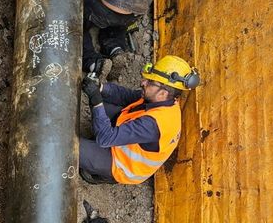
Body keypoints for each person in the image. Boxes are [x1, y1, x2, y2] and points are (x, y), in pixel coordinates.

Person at [78, 55, 200, 185]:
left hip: (122, 164)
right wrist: (100, 87)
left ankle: (105, 175)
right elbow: (126, 96)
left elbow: (105, 138)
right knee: (102, 107)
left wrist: (96, 100)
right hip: (126, 141)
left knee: (70, 147)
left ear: (163, 93)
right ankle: (96, 146)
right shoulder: (163, 100)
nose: (143, 82)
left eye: (150, 82)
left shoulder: (153, 125)